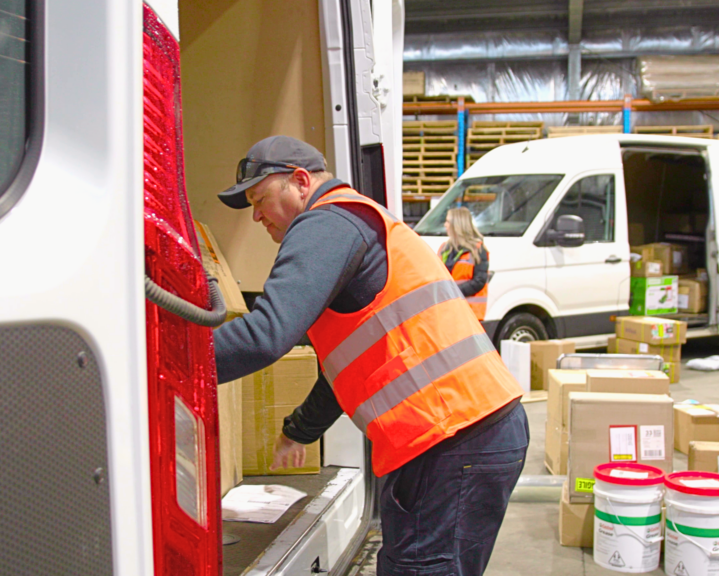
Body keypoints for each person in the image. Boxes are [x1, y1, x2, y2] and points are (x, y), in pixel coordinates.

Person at [212, 135, 528, 575]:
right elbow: (346, 368)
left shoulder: (327, 222)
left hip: (448, 439)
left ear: (301, 182)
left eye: (261, 199)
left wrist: (171, 366)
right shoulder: (352, 224)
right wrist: (300, 430)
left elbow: (267, 333)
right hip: (472, 433)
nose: (257, 216)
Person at [439, 207, 490, 321]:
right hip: (449, 310)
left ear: (456, 225)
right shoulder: (444, 248)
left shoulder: (478, 249)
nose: (445, 225)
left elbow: (479, 281)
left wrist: (453, 290)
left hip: (469, 313)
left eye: (448, 221)